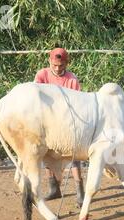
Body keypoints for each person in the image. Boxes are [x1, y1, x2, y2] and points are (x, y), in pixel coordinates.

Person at [34, 47, 85, 208]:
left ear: (66, 64)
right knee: (48, 156)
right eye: (55, 65)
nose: (57, 69)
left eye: (61, 66)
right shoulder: (42, 75)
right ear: (50, 62)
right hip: (48, 123)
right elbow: (36, 96)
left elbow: (78, 102)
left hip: (67, 122)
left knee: (74, 157)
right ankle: (54, 189)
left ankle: (80, 192)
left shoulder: (72, 79)